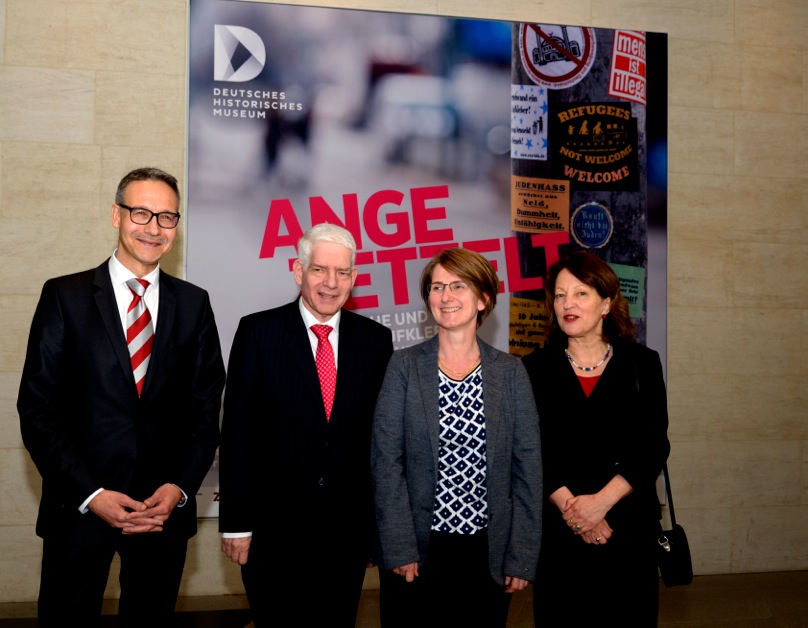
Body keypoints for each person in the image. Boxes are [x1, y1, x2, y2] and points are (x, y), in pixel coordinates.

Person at [17, 167, 226, 627]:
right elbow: (36, 407)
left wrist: (178, 488)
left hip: (161, 514)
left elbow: (205, 408)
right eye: (141, 212)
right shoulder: (64, 297)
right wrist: (91, 494)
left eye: (167, 217)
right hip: (80, 509)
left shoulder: (194, 304)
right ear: (116, 214)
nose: (153, 227)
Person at [218, 223, 394, 627]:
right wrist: (236, 524)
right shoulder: (257, 332)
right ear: (298, 271)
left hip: (346, 534)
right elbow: (238, 433)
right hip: (271, 532)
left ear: (354, 276)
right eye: (319, 270)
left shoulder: (376, 340)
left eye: (343, 273)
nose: (331, 283)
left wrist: (375, 528)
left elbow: (379, 441)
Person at [371, 247, 542, 628]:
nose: (445, 297)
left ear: (483, 298)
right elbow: (386, 460)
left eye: (458, 286)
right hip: (417, 550)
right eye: (436, 287)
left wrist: (521, 555)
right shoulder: (404, 366)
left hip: (487, 553)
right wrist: (399, 546)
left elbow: (527, 469)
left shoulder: (511, 372)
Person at [522, 251, 670, 625]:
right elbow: (529, 449)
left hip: (628, 528)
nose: (567, 303)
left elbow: (654, 445)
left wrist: (601, 504)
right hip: (560, 531)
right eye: (559, 295)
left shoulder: (643, 363)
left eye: (580, 293)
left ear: (606, 302)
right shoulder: (532, 368)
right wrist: (577, 513)